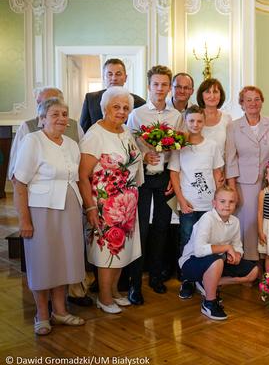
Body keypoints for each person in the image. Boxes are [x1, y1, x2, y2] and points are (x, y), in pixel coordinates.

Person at [7, 87, 91, 308]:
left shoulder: (72, 144)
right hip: (41, 210)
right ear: (42, 119)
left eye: (64, 115)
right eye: (55, 115)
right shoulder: (32, 140)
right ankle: (42, 315)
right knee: (43, 263)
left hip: (70, 209)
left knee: (64, 262)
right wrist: (24, 220)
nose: (62, 119)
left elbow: (78, 177)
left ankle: (61, 311)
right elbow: (19, 183)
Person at [79, 87, 143, 314]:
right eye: (116, 107)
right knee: (108, 251)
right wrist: (89, 208)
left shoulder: (125, 131)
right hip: (105, 205)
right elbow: (83, 176)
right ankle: (104, 298)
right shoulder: (95, 135)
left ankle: (115, 291)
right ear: (104, 108)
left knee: (122, 251)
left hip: (126, 204)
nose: (121, 111)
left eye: (126, 108)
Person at [126, 65, 182, 303]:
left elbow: (178, 150)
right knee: (141, 229)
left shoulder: (176, 116)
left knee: (161, 227)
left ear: (170, 87)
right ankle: (134, 283)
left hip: (164, 177)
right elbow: (128, 147)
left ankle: (157, 277)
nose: (160, 89)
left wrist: (173, 176)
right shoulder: (137, 115)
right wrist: (143, 156)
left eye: (164, 85)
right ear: (149, 87)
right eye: (156, 84)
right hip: (141, 178)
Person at [178, 186, 259, 321]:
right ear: (214, 203)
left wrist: (237, 255)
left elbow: (237, 245)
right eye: (222, 201)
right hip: (191, 262)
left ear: (235, 204)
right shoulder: (207, 219)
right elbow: (199, 250)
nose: (227, 205)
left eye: (231, 202)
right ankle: (209, 303)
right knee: (217, 261)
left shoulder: (235, 221)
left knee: (253, 272)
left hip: (217, 261)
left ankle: (207, 282)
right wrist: (226, 248)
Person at [169, 105, 224, 299]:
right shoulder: (179, 147)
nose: (195, 124)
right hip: (189, 205)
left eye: (199, 121)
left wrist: (218, 201)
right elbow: (174, 175)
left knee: (208, 241)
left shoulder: (212, 145)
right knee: (186, 242)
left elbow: (217, 173)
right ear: (186, 121)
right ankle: (187, 280)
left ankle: (205, 278)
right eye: (191, 120)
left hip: (209, 205)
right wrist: (182, 201)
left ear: (204, 122)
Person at [225, 86, 269, 262]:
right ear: (242, 104)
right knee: (249, 225)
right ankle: (251, 263)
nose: (253, 103)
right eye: (248, 100)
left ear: (262, 102)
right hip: (245, 184)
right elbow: (230, 159)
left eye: (257, 99)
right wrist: (232, 188)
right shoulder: (233, 126)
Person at [79, 58, 146, 132]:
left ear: (125, 78)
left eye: (118, 74)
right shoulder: (91, 99)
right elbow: (83, 131)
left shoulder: (139, 103)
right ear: (104, 77)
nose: (114, 78)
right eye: (110, 74)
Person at [198, 78, 232, 164]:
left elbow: (230, 150)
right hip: (197, 169)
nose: (212, 96)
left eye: (215, 92)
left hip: (220, 170)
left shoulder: (227, 119)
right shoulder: (193, 117)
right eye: (208, 92)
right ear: (201, 95)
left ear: (221, 95)